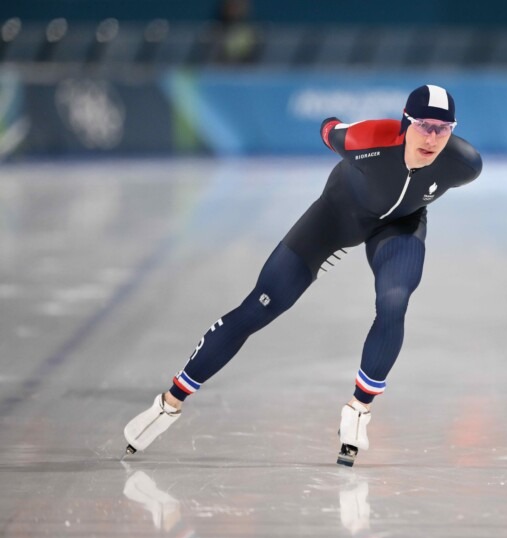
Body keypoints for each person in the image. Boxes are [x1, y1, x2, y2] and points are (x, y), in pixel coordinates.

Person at [123, 84, 483, 466]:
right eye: (424, 125)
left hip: (400, 226)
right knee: (259, 307)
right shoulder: (368, 139)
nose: (432, 138)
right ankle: (169, 403)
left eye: (443, 129)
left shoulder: (464, 164)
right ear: (405, 122)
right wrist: (333, 128)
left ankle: (358, 409)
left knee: (394, 302)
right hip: (335, 218)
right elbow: (329, 128)